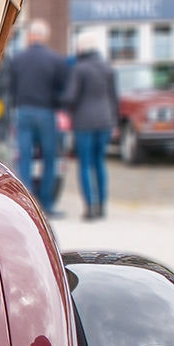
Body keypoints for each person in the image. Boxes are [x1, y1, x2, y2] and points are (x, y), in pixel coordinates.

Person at [9, 19, 69, 217]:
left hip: (23, 111)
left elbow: (12, 87)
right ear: (45, 36)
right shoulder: (56, 60)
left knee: (23, 157)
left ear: (30, 36)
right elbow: (62, 89)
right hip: (46, 113)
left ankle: (27, 205)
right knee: (49, 158)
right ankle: (47, 203)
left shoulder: (18, 60)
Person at [61, 29, 118, 221]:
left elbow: (71, 96)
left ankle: (90, 208)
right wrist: (114, 122)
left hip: (84, 122)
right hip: (104, 120)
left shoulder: (79, 69)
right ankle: (102, 206)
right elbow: (113, 97)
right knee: (100, 163)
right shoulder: (107, 67)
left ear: (81, 47)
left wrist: (62, 102)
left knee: (84, 164)